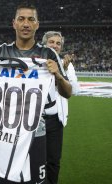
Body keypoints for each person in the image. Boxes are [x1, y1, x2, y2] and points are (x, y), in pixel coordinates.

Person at [0, 3, 72, 184]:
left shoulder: (48, 53)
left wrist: (58, 75)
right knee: (2, 180)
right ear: (14, 23)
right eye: (21, 19)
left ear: (37, 24)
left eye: (31, 19)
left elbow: (67, 93)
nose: (26, 24)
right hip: (4, 131)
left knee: (35, 181)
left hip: (36, 131)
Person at [41, 31, 79, 184]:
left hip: (56, 121)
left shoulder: (67, 66)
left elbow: (74, 91)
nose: (55, 45)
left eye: (58, 43)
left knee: (53, 161)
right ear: (44, 44)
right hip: (35, 120)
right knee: (33, 158)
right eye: (51, 42)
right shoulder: (35, 63)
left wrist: (63, 71)